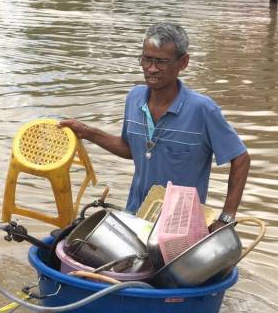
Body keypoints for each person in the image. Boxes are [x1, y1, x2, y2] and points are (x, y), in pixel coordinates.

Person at [60, 22, 250, 232]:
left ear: (183, 62)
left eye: (161, 62)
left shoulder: (202, 109)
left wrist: (226, 217)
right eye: (147, 59)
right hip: (136, 216)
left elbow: (240, 158)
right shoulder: (134, 98)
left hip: (179, 227)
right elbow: (130, 149)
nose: (151, 68)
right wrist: (87, 132)